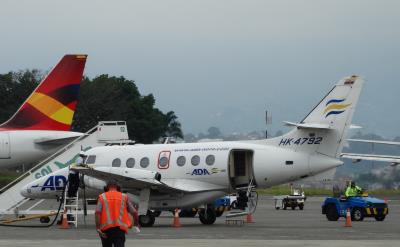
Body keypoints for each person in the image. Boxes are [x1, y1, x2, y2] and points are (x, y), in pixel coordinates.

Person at [95, 181, 139, 247]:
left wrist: (98, 228)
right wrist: (135, 224)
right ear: (118, 188)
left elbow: (97, 213)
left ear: (106, 188)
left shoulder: (102, 197)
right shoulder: (124, 197)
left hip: (105, 230)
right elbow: (134, 212)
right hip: (119, 230)